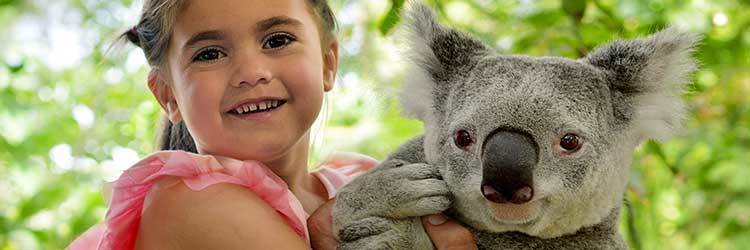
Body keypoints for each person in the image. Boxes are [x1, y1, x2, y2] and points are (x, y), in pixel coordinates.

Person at [68, 0, 476, 249]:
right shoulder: (191, 203)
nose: (251, 71)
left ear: (329, 63)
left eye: (277, 40)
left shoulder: (359, 179)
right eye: (209, 53)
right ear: (169, 95)